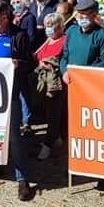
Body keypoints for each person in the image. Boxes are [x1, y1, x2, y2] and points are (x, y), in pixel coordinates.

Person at [0, 0, 35, 201]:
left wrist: (19, 64)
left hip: (10, 94)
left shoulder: (18, 35)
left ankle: (22, 178)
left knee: (14, 137)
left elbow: (30, 64)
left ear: (4, 17)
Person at [33, 13, 67, 160]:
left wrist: (50, 65)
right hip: (44, 84)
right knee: (48, 113)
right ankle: (55, 138)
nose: (48, 29)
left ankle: (48, 145)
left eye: (51, 26)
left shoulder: (64, 41)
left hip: (56, 84)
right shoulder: (47, 41)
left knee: (54, 114)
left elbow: (63, 61)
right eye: (47, 25)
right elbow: (37, 56)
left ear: (59, 27)